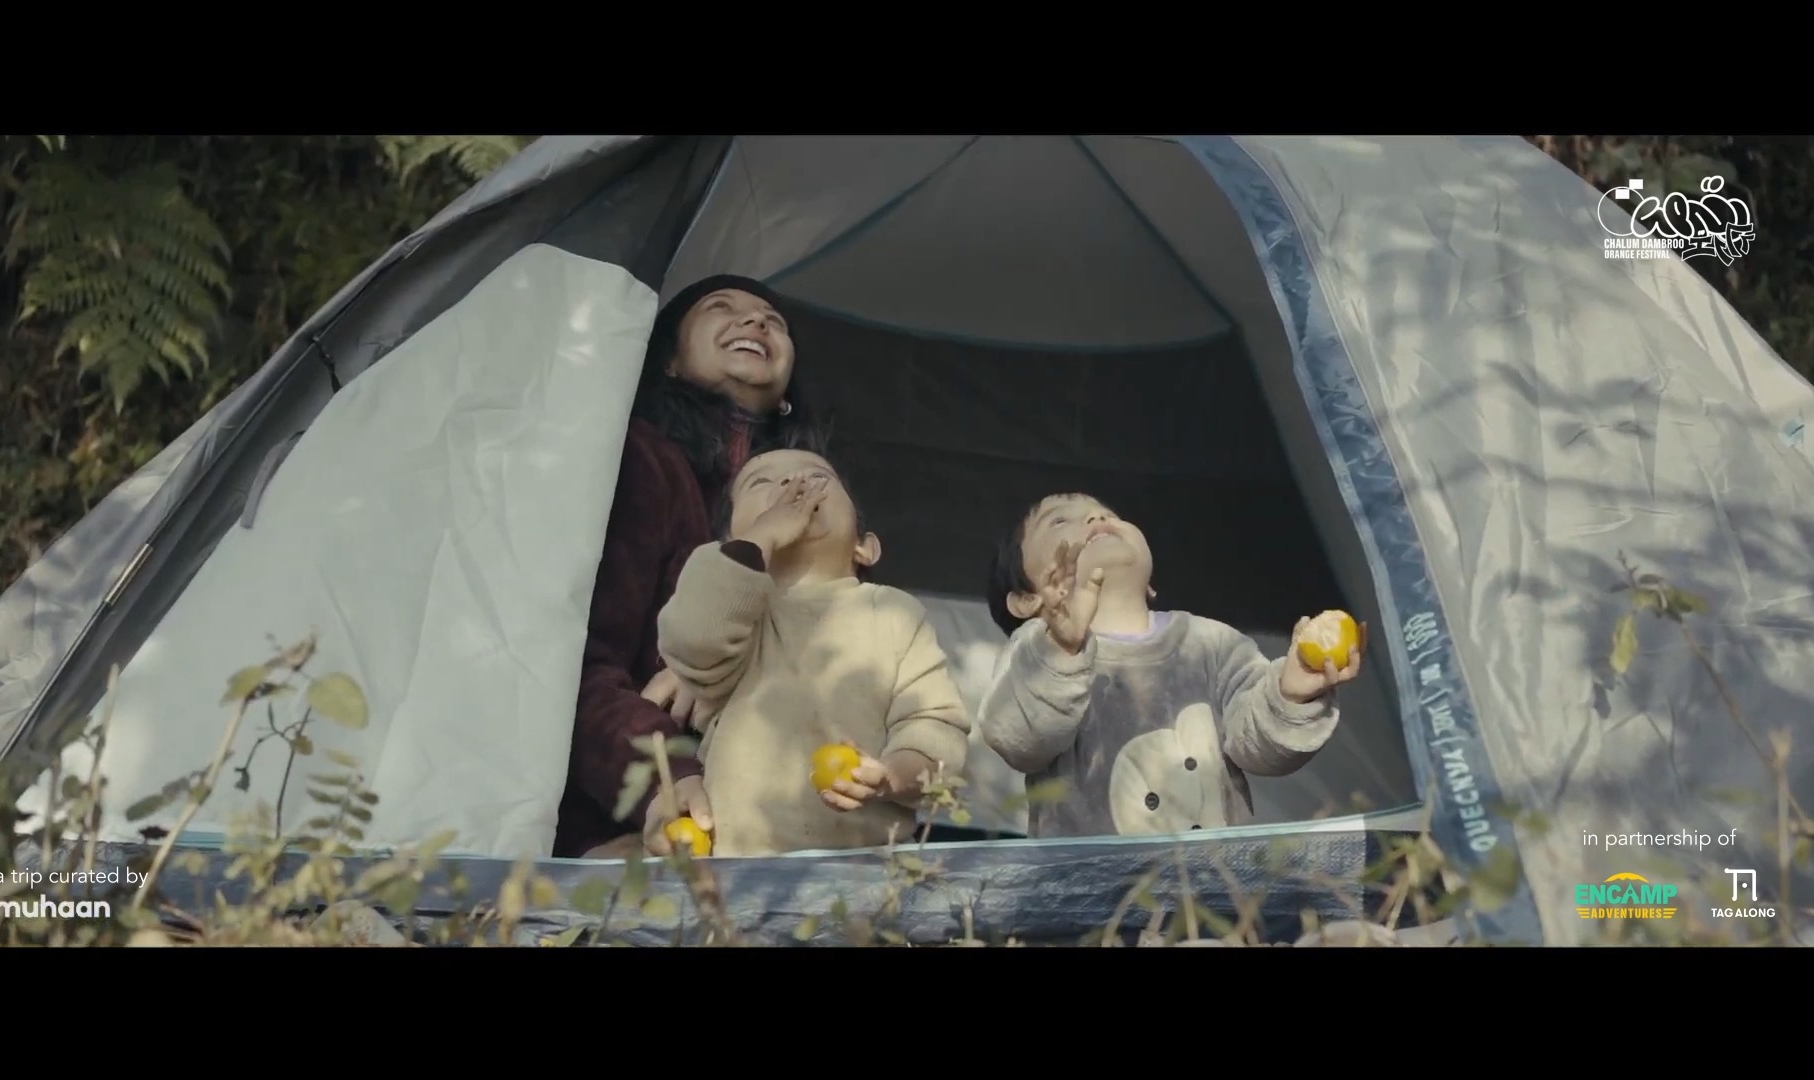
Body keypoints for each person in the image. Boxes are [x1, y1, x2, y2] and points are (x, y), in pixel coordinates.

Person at [554, 274, 826, 859]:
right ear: (671, 363)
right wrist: (665, 773)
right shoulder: (638, 461)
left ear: (785, 393)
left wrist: (714, 662)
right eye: (721, 308)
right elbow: (577, 667)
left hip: (782, 818)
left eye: (772, 321)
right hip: (634, 817)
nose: (755, 322)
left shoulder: (818, 502)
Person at [644, 448, 972, 857]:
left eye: (818, 478)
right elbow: (693, 640)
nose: (792, 484)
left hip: (864, 866)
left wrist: (890, 777)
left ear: (864, 547)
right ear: (729, 542)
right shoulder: (736, 607)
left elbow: (935, 725)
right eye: (762, 482)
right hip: (737, 862)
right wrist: (757, 543)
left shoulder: (892, 613)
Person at [978, 492, 1363, 839]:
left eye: (1106, 513)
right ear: (1028, 601)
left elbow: (1260, 751)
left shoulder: (1211, 642)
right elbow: (1019, 740)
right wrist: (1061, 648)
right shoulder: (1036, 654)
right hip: (1091, 906)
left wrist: (1290, 694)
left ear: (1149, 583)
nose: (1096, 519)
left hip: (1213, 896)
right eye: (1060, 520)